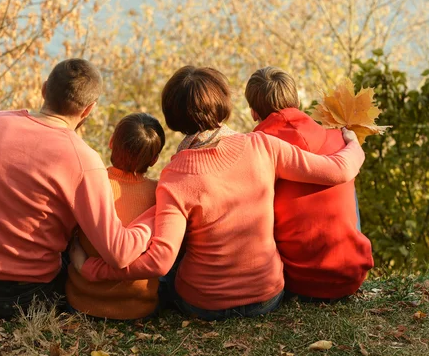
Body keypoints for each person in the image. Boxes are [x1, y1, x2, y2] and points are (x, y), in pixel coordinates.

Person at [70, 65, 366, 321]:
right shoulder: (262, 145)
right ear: (224, 102)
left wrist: (91, 268)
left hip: (202, 304)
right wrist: (351, 140)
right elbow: (338, 169)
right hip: (267, 297)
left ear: (173, 117)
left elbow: (160, 261)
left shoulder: (174, 176)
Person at [0, 59, 154, 319]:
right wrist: (156, 213)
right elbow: (119, 253)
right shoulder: (84, 160)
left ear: (44, 89)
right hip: (30, 299)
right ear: (88, 110)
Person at [245, 66, 374, 302]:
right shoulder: (340, 140)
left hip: (298, 281)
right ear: (297, 102)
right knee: (344, 190)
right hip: (351, 276)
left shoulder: (257, 153)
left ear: (254, 112)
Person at [65, 113, 165, 320]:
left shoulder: (91, 182)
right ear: (154, 160)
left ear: (111, 142)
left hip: (81, 301)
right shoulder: (159, 193)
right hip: (139, 307)